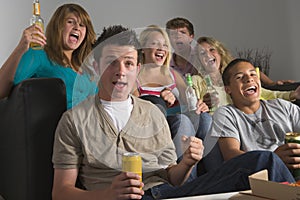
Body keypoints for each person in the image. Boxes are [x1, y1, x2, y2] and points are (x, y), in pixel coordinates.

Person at [52, 25, 295, 200]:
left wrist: (188, 161)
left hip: (167, 193)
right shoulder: (74, 120)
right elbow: (61, 192)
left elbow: (173, 177)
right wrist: (108, 194)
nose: (120, 71)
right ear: (96, 66)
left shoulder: (152, 113)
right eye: (111, 62)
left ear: (138, 68)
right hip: (115, 196)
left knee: (264, 160)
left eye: (128, 63)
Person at [210, 58, 300, 179]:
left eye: (253, 74)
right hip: (260, 177)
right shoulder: (226, 114)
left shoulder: (283, 106)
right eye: (239, 77)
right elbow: (231, 154)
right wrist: (272, 159)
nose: (249, 79)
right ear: (228, 89)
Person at [0, 3, 97, 109]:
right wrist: (20, 48)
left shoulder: (87, 69)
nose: (77, 28)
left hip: (94, 122)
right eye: (70, 22)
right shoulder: (39, 55)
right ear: (57, 27)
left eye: (82, 25)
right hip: (64, 123)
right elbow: (1, 90)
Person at [192, 36, 300, 109]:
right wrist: (203, 104)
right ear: (199, 60)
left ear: (220, 53)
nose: (208, 55)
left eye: (212, 50)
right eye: (202, 53)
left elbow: (267, 94)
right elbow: (192, 104)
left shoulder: (236, 76)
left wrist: (291, 94)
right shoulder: (196, 81)